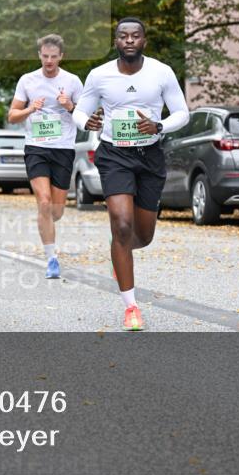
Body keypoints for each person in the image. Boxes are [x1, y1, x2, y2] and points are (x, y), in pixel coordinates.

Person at [72, 18, 189, 331]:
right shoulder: (100, 75)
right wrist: (86, 123)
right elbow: (80, 111)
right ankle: (131, 307)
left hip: (150, 156)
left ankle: (119, 252)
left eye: (135, 35)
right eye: (123, 36)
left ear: (144, 41)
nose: (129, 40)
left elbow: (182, 113)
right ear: (116, 41)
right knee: (122, 225)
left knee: (144, 236)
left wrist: (159, 125)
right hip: (114, 155)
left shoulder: (161, 72)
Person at [7, 34, 83, 279]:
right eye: (45, 56)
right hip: (36, 147)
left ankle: (46, 221)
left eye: (53, 56)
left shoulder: (72, 81)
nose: (49, 61)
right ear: (39, 55)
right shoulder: (27, 80)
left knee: (56, 211)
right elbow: (12, 115)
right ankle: (52, 259)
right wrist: (31, 108)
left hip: (63, 148)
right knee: (44, 201)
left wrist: (69, 106)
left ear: (61, 56)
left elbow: (86, 117)